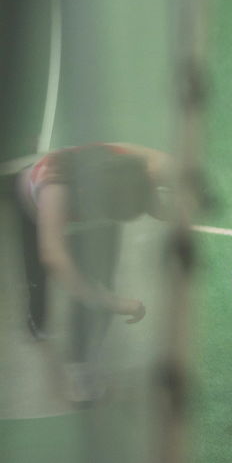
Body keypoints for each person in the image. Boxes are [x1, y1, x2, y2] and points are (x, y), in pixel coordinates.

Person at [12, 142, 172, 401]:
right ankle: (36, 321)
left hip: (92, 213)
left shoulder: (123, 166)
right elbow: (55, 260)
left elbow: (168, 167)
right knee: (39, 279)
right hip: (36, 209)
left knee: (100, 282)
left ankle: (82, 365)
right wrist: (114, 302)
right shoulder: (56, 190)